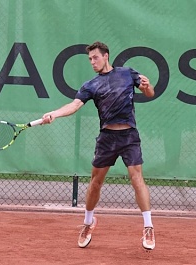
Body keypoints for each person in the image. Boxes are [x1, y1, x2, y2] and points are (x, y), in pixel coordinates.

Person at [41, 41, 156, 250]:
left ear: (106, 56)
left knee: (136, 177)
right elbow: (74, 105)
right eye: (90, 59)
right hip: (107, 138)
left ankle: (148, 227)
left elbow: (150, 93)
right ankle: (88, 222)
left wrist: (148, 87)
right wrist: (54, 114)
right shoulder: (91, 85)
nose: (92, 62)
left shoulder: (127, 73)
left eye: (95, 57)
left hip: (129, 135)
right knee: (95, 183)